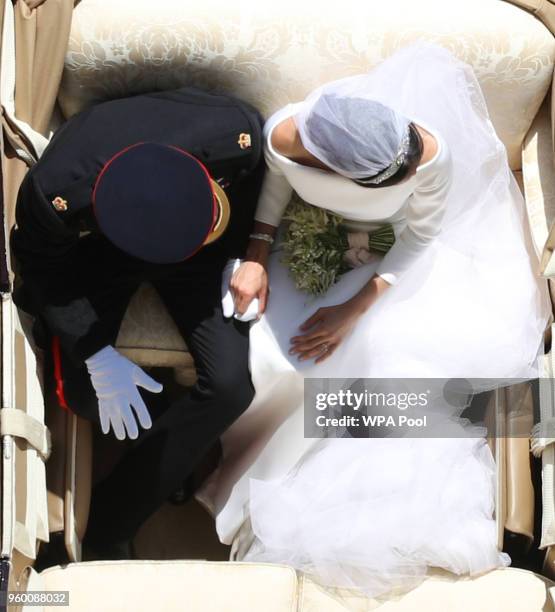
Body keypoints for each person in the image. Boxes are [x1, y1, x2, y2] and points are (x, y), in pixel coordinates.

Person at [206, 41, 552, 596]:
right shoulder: (286, 135)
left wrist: (354, 307)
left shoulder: (426, 152)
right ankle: (237, 467)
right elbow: (276, 186)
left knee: (388, 352)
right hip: (309, 237)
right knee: (278, 354)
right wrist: (256, 252)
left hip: (395, 263)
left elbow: (421, 233)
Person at [10, 85, 265, 558]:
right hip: (105, 253)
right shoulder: (55, 194)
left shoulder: (235, 135)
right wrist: (97, 355)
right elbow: (42, 268)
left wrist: (249, 253)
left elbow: (255, 190)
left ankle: (111, 520)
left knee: (232, 385)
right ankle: (155, 466)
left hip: (204, 250)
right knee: (89, 394)